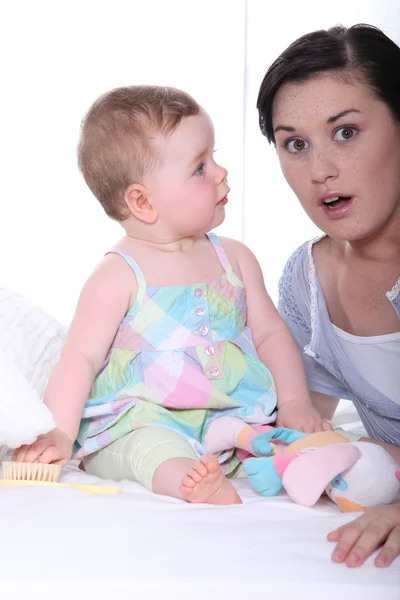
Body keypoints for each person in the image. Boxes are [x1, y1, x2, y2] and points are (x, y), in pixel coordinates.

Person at [12, 85, 326, 505]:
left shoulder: (233, 258)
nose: (220, 173)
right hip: (143, 418)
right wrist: (61, 432)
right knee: (146, 449)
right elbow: (80, 358)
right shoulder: (118, 275)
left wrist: (293, 401)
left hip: (231, 413)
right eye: (200, 167)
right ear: (142, 201)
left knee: (284, 439)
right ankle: (188, 480)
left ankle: (288, 463)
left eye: (214, 157)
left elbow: (270, 335)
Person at [256, 24, 400, 567]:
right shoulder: (304, 280)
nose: (321, 171)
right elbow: (299, 424)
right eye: (295, 144)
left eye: (345, 132)